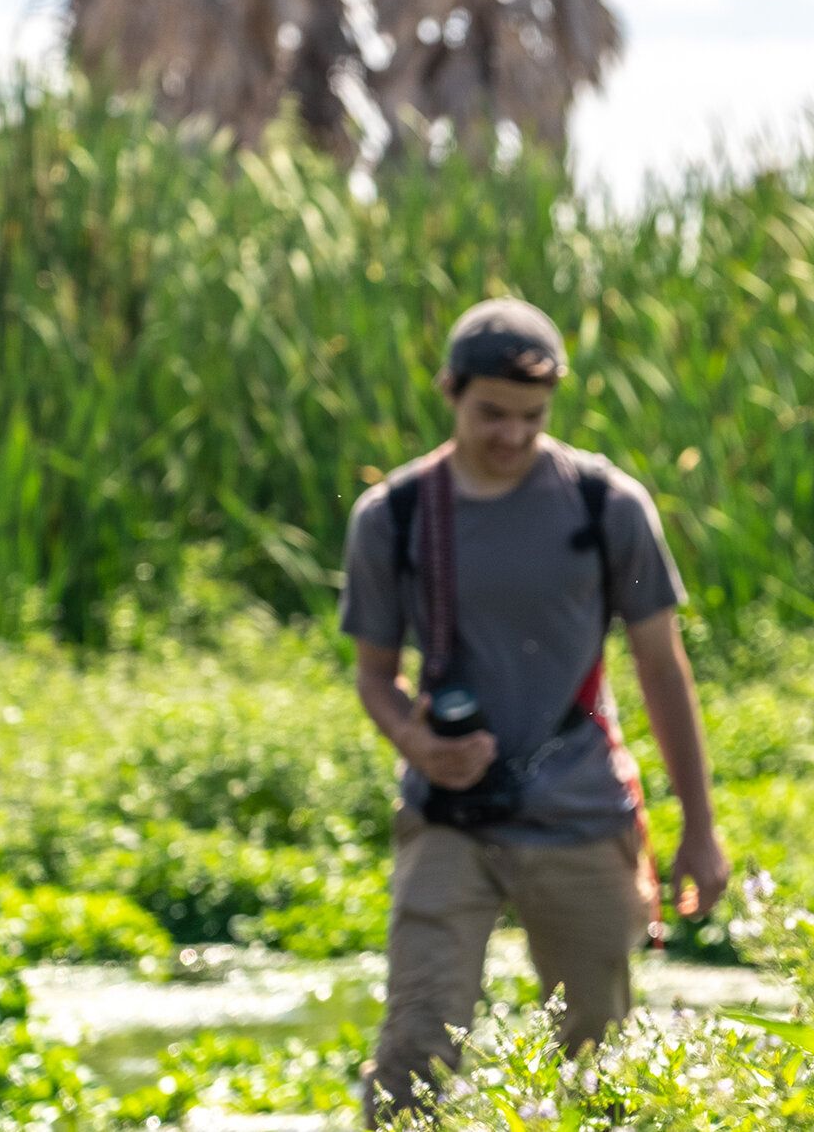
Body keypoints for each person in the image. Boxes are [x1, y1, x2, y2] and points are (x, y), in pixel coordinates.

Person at [338, 297, 731, 1125]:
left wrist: (700, 828)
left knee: (600, 1058)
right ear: (449, 391)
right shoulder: (395, 516)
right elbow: (375, 676)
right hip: (448, 818)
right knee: (416, 1044)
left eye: (531, 417)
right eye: (491, 414)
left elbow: (663, 669)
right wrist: (414, 736)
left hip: (583, 815)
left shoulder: (605, 504)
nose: (511, 436)